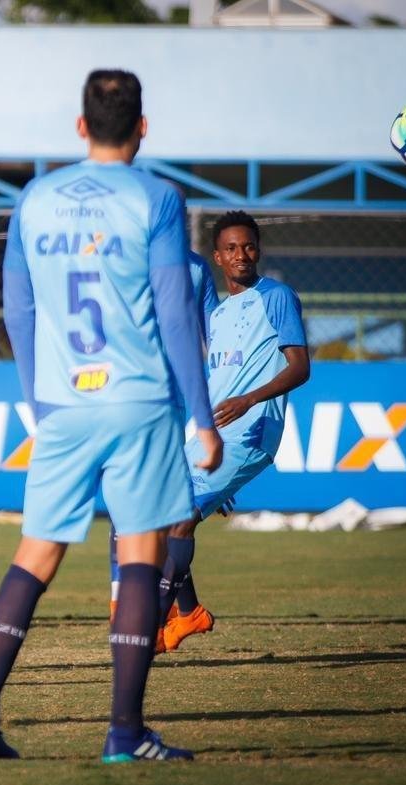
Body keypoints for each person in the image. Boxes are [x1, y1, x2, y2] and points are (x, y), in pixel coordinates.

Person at [0, 70, 223, 762]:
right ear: (142, 127)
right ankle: (125, 735)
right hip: (138, 402)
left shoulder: (35, 198)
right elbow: (173, 310)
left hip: (64, 404)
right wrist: (202, 416)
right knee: (140, 552)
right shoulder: (157, 197)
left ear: (81, 126)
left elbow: (16, 310)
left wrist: (38, 399)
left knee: (34, 557)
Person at [150, 210, 309, 654]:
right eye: (232, 249)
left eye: (250, 246)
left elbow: (300, 368)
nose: (242, 255)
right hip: (214, 439)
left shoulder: (276, 297)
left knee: (179, 519)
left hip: (252, 430)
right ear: (218, 257)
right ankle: (191, 613)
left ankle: (151, 624)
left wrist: (249, 400)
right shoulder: (218, 315)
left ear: (259, 250)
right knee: (160, 515)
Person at [108, 250, 221, 624]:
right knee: (137, 499)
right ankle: (183, 608)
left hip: (167, 403)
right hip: (119, 394)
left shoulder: (196, 268)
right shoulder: (117, 258)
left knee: (152, 503)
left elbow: (213, 342)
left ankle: (140, 609)